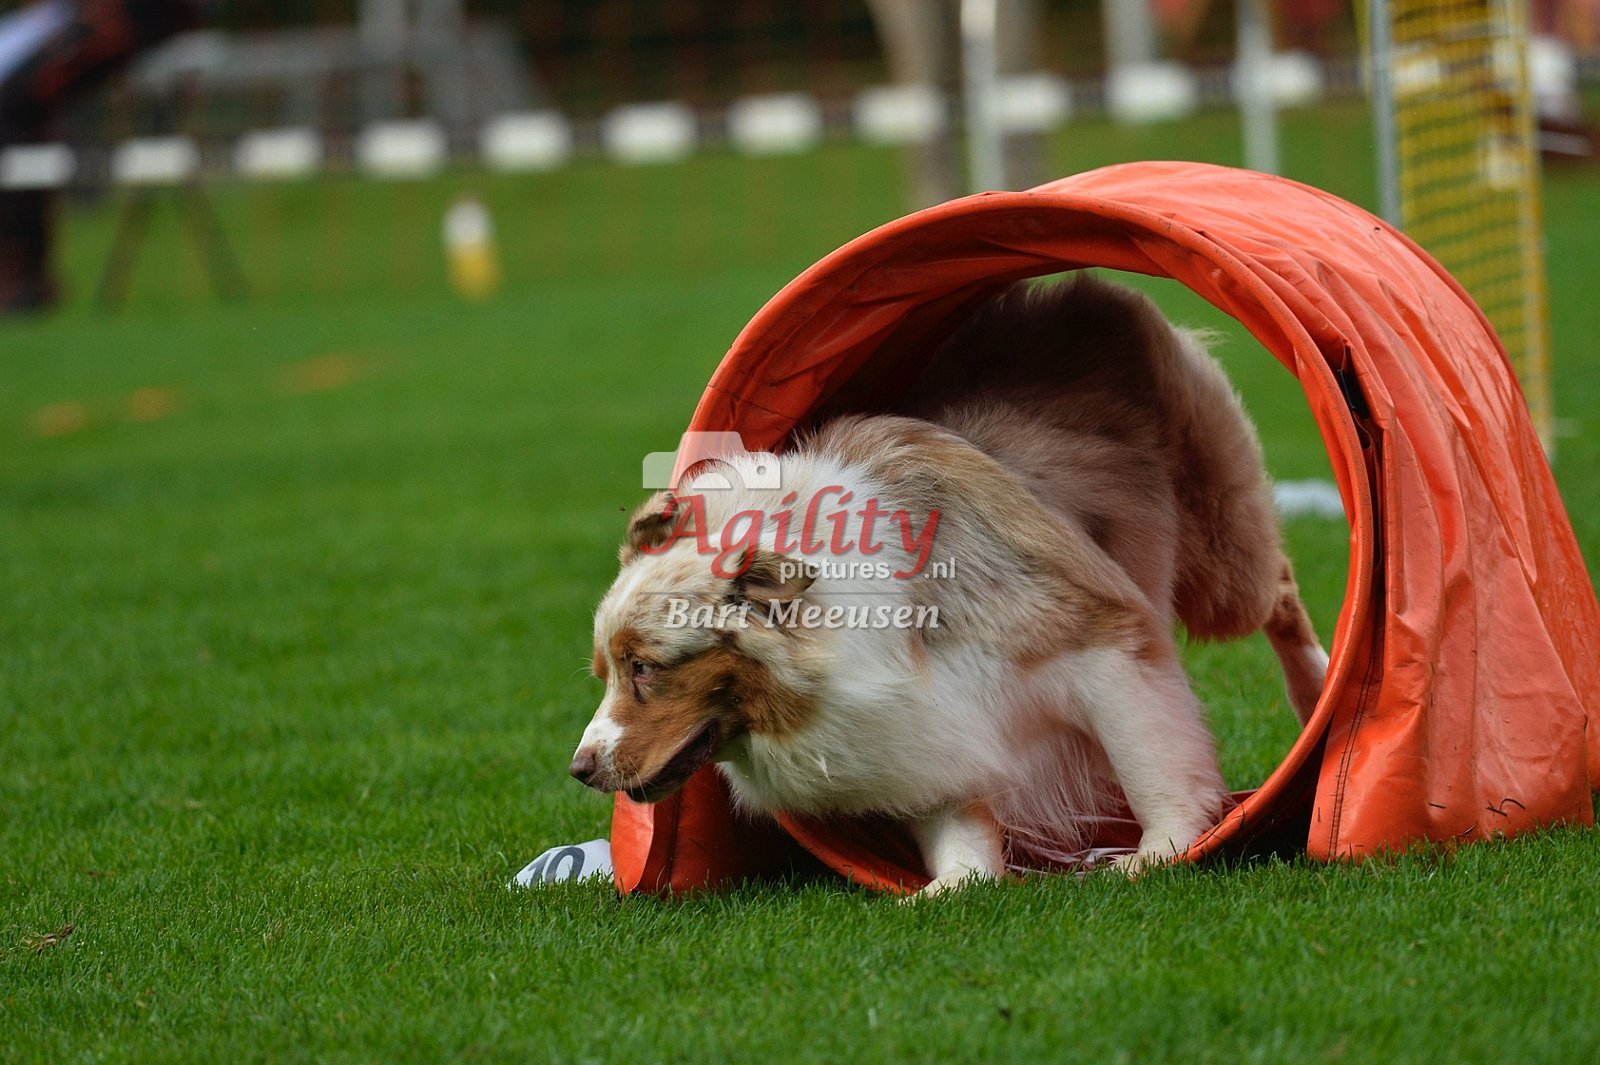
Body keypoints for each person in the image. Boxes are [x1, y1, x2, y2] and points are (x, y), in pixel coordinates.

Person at [0, 0, 197, 316]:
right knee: (14, 99)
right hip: (75, 14)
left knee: (15, 100)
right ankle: (23, 268)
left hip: (134, 13)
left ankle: (24, 271)